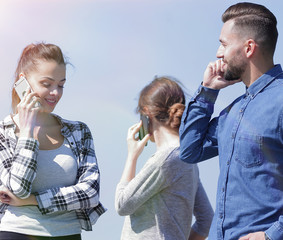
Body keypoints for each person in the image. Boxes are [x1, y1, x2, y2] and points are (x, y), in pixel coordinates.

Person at [0, 43, 106, 240]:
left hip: (68, 235)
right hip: (18, 233)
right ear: (23, 83)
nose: (55, 93)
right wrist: (28, 131)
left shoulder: (79, 131)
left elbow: (89, 193)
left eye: (61, 85)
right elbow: (18, 188)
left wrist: (33, 200)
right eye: (46, 84)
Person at [179, 2, 283, 240]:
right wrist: (207, 91)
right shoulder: (232, 112)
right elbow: (189, 151)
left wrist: (273, 234)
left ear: (248, 47)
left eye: (224, 44)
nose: (218, 53)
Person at [114, 77, 213, 240]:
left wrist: (132, 156)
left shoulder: (164, 160)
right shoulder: (188, 158)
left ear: (147, 114)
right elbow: (206, 220)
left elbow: (122, 204)